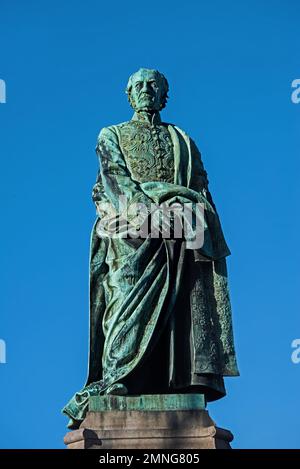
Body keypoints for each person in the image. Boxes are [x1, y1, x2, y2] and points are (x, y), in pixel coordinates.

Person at [62, 68, 239, 429]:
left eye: (153, 86)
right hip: (130, 232)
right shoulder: (111, 134)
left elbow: (201, 188)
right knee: (124, 303)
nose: (146, 90)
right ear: (129, 95)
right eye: (139, 85)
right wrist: (150, 211)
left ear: (164, 97)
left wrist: (187, 211)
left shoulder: (183, 139)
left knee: (178, 312)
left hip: (178, 231)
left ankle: (168, 380)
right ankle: (120, 375)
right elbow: (114, 179)